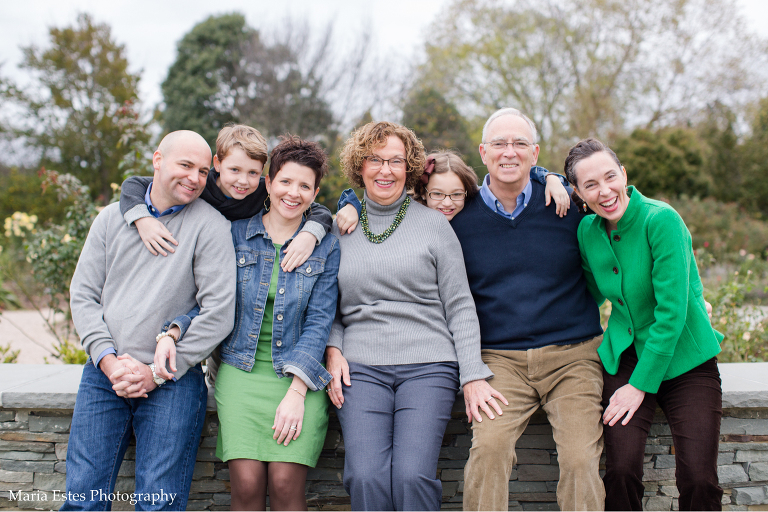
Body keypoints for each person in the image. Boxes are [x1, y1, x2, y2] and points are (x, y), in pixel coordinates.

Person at [325, 121, 502, 511]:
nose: (385, 170)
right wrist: (333, 349)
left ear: (409, 169)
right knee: (365, 475)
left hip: (429, 365)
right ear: (360, 166)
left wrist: (472, 373)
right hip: (360, 367)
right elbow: (329, 307)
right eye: (375, 159)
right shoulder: (340, 230)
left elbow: (459, 304)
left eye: (395, 161)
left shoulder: (435, 225)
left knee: (412, 475)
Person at [64, 131, 236, 511]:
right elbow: (84, 296)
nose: (194, 178)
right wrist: (109, 363)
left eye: (204, 171)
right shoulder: (112, 219)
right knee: (81, 500)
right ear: (158, 160)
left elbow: (219, 312)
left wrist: (154, 373)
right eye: (185, 165)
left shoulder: (211, 226)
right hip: (104, 374)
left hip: (172, 379)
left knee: (157, 504)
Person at [451, 108, 606, 511]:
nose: (509, 152)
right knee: (489, 450)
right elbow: (398, 198)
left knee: (580, 459)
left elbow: (617, 199)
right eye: (499, 144)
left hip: (573, 357)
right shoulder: (456, 217)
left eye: (519, 144)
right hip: (500, 360)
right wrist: (344, 205)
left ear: (535, 154)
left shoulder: (569, 206)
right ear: (483, 152)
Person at [564, 138, 723, 511]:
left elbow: (671, 315)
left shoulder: (660, 219)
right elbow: (585, 295)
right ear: (578, 193)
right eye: (590, 185)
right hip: (626, 356)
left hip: (687, 360)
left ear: (623, 174)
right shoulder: (587, 232)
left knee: (699, 478)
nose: (604, 191)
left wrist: (639, 387)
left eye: (609, 177)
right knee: (619, 472)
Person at [118, 124, 333, 385]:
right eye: (234, 170)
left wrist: (310, 234)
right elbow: (134, 184)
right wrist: (142, 219)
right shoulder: (200, 185)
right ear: (217, 164)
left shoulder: (264, 194)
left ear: (263, 175)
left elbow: (317, 209)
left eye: (252, 173)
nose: (243, 181)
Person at [211, 136, 339, 511]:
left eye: (304, 186)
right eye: (285, 181)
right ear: (268, 183)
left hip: (300, 376)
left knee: (285, 485)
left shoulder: (326, 245)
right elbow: (211, 300)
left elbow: (319, 322)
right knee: (247, 486)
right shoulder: (235, 235)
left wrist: (298, 392)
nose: (293, 193)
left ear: (316, 193)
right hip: (241, 371)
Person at [335, 149, 571, 231]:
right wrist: (352, 206)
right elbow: (379, 204)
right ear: (424, 193)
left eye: (456, 194)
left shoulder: (477, 207)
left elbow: (510, 178)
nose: (446, 203)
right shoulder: (410, 212)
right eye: (437, 194)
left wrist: (550, 177)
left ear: (467, 192)